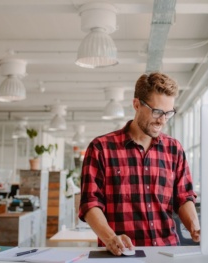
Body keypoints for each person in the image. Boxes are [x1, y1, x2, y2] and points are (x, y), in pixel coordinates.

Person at [78, 72, 200, 256]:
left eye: (169, 113)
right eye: (157, 111)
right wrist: (110, 237)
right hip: (121, 255)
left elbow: (183, 197)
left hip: (167, 253)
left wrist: (195, 228)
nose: (162, 120)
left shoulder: (174, 149)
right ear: (136, 105)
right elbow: (90, 203)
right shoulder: (101, 148)